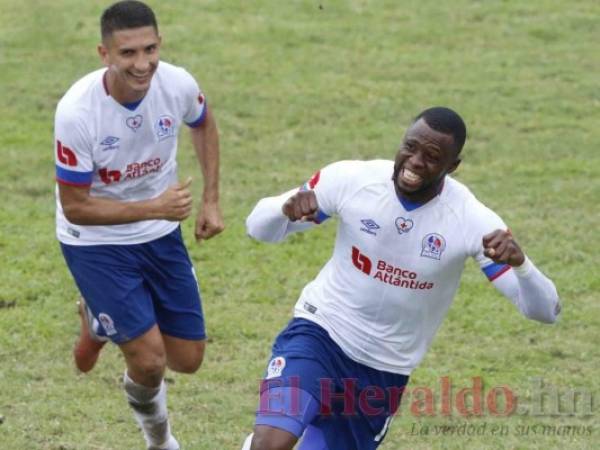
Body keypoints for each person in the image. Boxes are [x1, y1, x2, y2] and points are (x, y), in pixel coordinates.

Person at [242, 106, 561, 450]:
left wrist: (522, 265)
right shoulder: (353, 180)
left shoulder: (471, 220)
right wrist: (283, 208)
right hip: (319, 334)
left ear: (452, 167)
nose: (415, 162)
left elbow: (545, 310)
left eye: (432, 156)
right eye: (410, 147)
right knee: (270, 444)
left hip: (382, 371)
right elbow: (258, 229)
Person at [54, 1, 223, 449]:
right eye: (128, 53)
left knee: (187, 360)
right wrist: (155, 206)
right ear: (104, 54)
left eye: (150, 49)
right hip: (95, 243)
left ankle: (98, 321)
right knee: (150, 362)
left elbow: (204, 124)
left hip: (159, 232)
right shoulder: (77, 113)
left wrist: (210, 200)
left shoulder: (177, 84)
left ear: (160, 44)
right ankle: (160, 440)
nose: (142, 63)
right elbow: (75, 207)